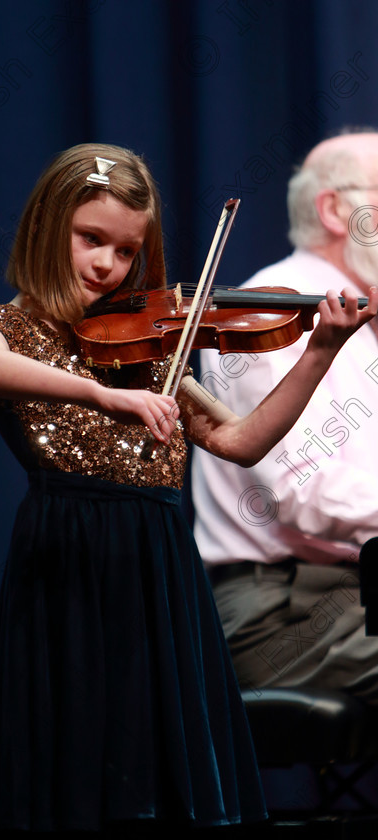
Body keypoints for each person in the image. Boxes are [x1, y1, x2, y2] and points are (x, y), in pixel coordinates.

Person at [0, 142, 377, 839]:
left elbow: (242, 441)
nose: (107, 266)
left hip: (159, 575)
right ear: (46, 225)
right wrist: (97, 394)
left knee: (163, 780)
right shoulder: (15, 329)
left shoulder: (145, 351)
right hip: (69, 568)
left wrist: (321, 350)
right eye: (91, 240)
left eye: (125, 252)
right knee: (77, 766)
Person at [192, 130, 378, 706]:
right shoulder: (271, 315)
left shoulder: (362, 315)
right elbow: (304, 493)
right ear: (334, 209)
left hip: (350, 592)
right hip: (274, 609)